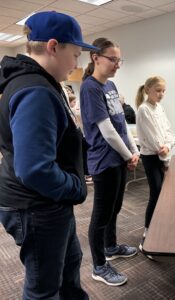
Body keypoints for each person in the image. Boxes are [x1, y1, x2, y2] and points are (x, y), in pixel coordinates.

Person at [0, 11, 98, 299]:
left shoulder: (42, 83)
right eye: (76, 54)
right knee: (43, 288)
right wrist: (75, 189)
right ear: (54, 47)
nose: (77, 63)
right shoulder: (35, 91)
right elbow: (34, 169)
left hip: (48, 201)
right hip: (37, 206)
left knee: (69, 264)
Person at [80, 37, 139, 286]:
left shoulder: (111, 86)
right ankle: (99, 266)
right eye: (112, 59)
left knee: (115, 208)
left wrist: (133, 150)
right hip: (104, 161)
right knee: (100, 216)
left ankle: (111, 246)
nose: (117, 64)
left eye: (119, 60)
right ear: (96, 58)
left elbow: (122, 125)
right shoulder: (89, 88)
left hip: (119, 158)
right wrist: (129, 155)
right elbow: (106, 130)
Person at [135, 76, 175, 252]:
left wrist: (168, 145)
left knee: (162, 193)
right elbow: (153, 140)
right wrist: (165, 154)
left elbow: (169, 132)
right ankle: (148, 231)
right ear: (148, 90)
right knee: (156, 193)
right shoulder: (144, 110)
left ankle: (159, 226)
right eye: (158, 90)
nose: (161, 94)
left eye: (163, 91)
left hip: (162, 155)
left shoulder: (159, 107)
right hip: (152, 158)